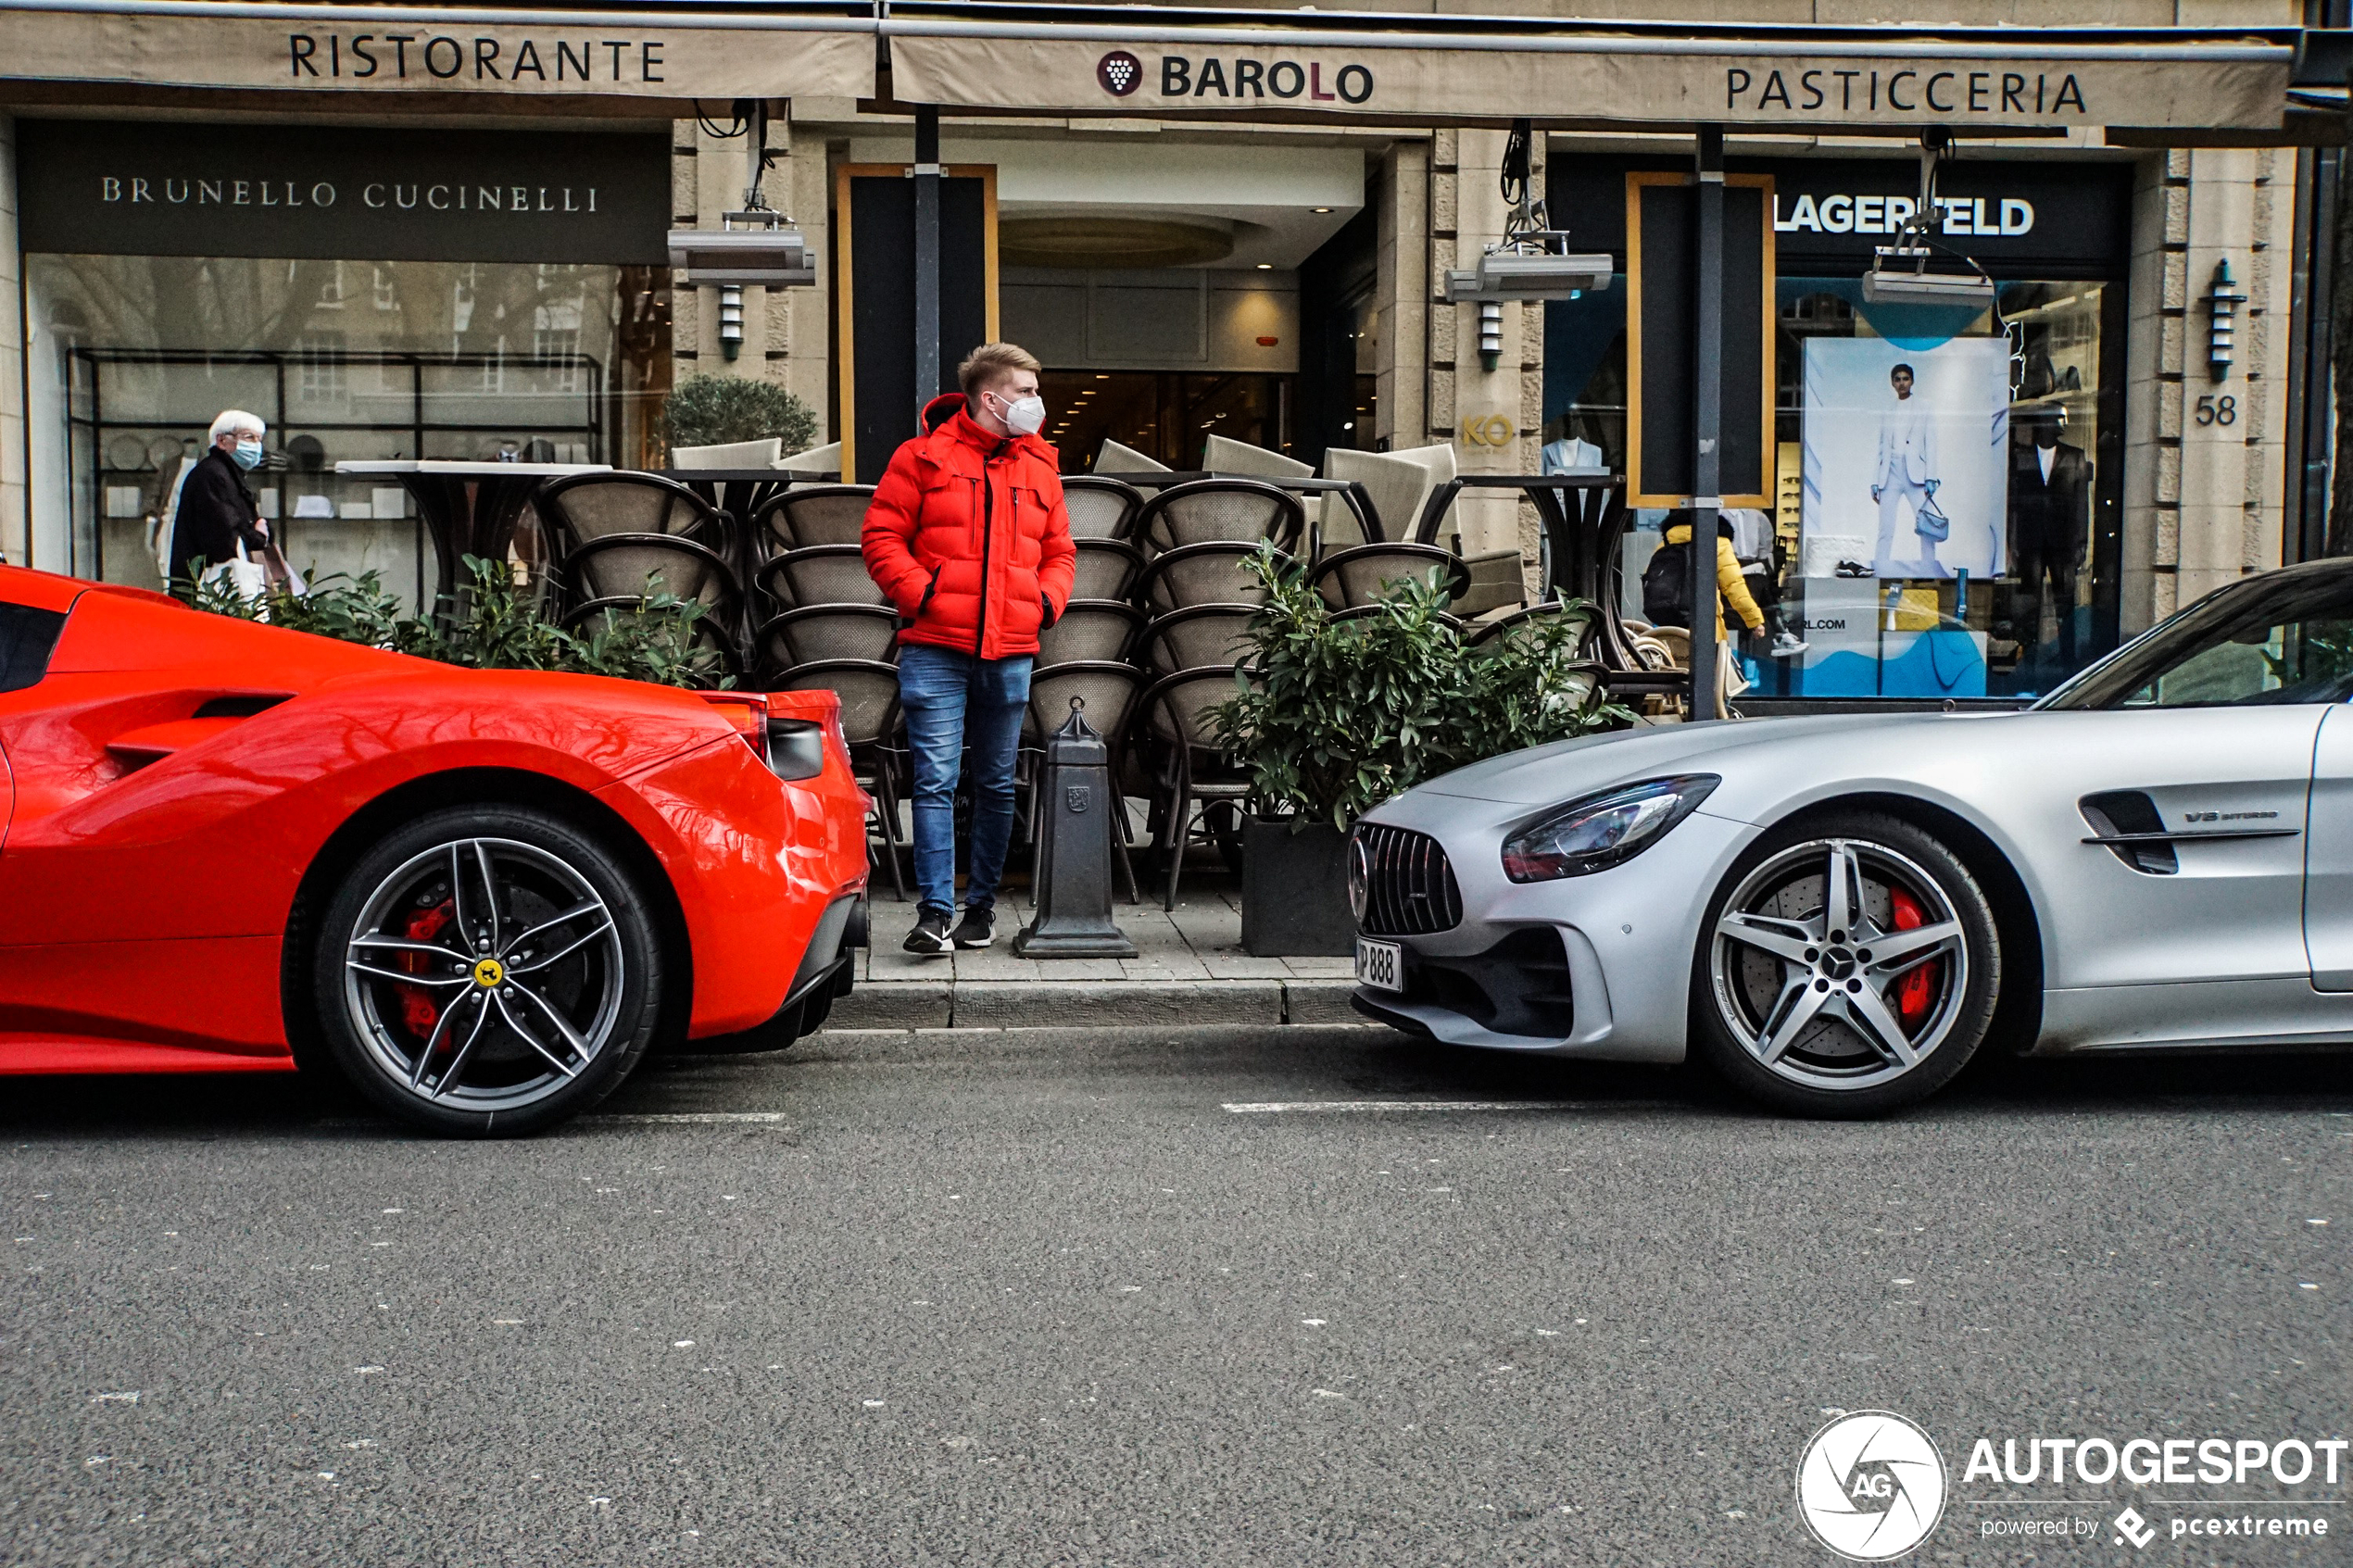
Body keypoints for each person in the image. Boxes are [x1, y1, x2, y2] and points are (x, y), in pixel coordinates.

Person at [862, 343, 1076, 956]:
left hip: (1009, 648)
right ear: (991, 398)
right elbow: (880, 534)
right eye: (1028, 391)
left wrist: (1044, 603)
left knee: (996, 784)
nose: (1037, 402)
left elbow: (1062, 551)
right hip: (936, 644)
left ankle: (979, 909)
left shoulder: (1040, 466)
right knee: (934, 780)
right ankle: (933, 913)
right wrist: (920, 592)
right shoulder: (922, 456)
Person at [166, 409, 272, 593]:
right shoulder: (213, 476)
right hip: (211, 587)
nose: (257, 446)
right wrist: (259, 537)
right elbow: (223, 536)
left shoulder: (225, 474)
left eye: (259, 439)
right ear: (222, 441)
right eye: (249, 438)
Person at [1870, 362, 1941, 578]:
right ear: (1892, 383)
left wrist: (1931, 477)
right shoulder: (1887, 409)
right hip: (1890, 471)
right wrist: (1875, 479)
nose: (1902, 383)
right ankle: (1880, 569)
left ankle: (1928, 568)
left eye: (1906, 378)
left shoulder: (1924, 406)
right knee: (1886, 526)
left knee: (1926, 524)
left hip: (1916, 474)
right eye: (1898, 379)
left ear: (1912, 381)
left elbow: (1932, 443)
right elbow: (1881, 446)